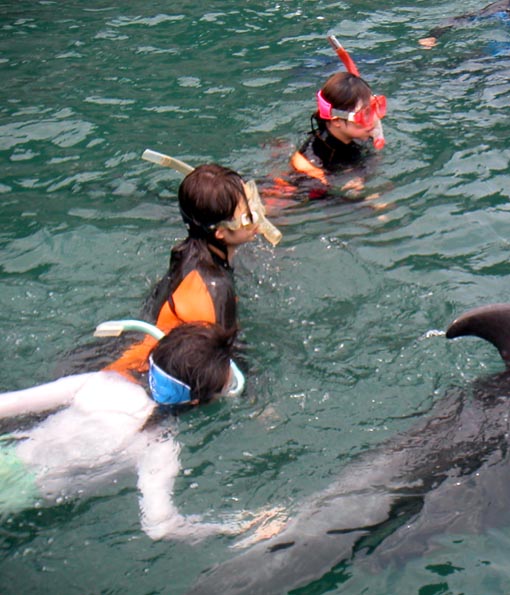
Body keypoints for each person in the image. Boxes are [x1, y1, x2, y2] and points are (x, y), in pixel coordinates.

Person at [0, 322, 282, 542]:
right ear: (196, 402)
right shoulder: (158, 443)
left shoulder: (100, 381)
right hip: (22, 496)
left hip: (9, 455)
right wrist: (240, 525)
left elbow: (7, 404)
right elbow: (160, 527)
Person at [105, 163, 260, 381]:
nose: (258, 215)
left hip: (131, 352)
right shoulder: (214, 290)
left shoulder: (189, 251)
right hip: (132, 376)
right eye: (248, 216)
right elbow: (222, 368)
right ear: (220, 232)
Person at [285, 71, 387, 200]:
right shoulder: (311, 164)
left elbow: (370, 158)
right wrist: (366, 204)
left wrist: (360, 176)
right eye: (363, 115)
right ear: (336, 121)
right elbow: (322, 201)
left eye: (374, 108)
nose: (373, 119)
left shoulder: (359, 135)